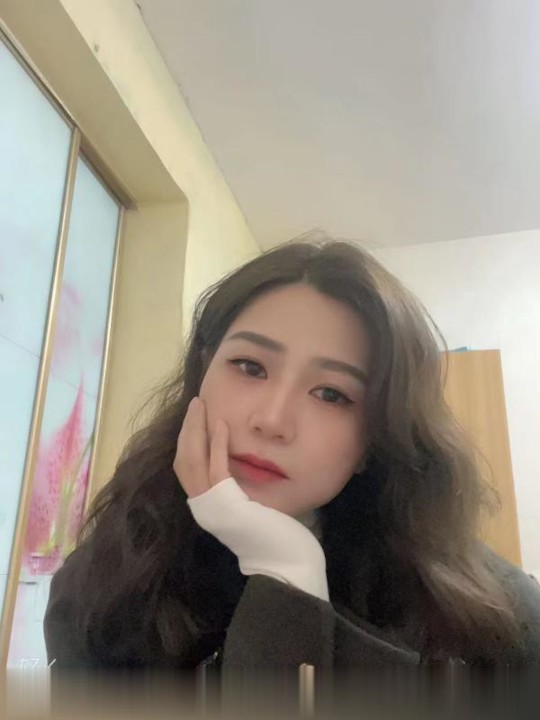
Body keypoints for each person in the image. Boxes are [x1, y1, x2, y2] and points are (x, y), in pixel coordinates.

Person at [44, 237, 540, 670]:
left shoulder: (499, 622)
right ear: (202, 373)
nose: (273, 420)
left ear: (376, 440)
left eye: (332, 394)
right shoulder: (101, 586)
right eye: (250, 366)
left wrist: (287, 575)